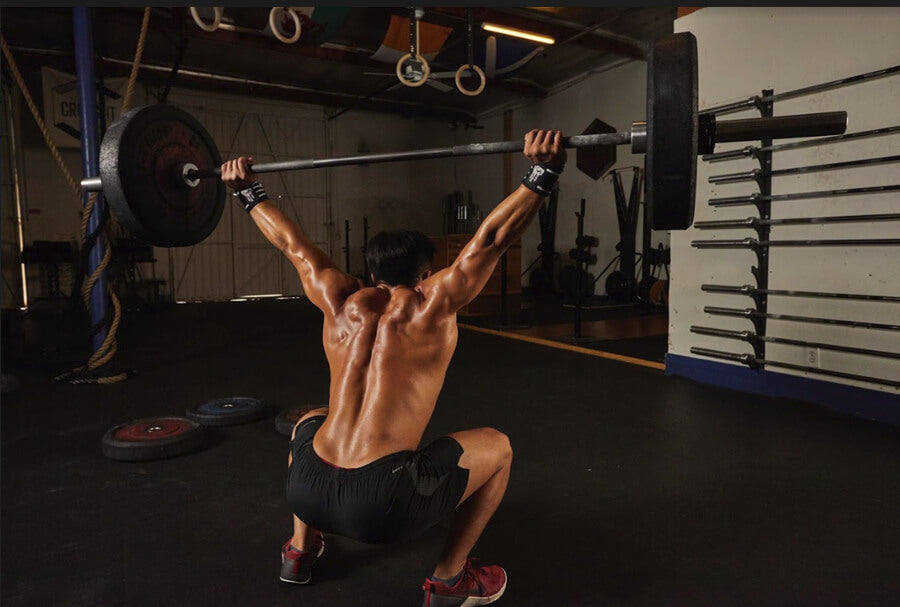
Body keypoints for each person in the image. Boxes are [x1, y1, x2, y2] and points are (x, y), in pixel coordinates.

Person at [221, 129, 567, 606]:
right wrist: (542, 173)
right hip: (379, 504)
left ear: (371, 273)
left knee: (309, 421)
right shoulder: (432, 306)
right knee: (500, 448)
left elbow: (292, 246)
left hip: (306, 488)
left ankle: (299, 551)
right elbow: (491, 240)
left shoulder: (339, 299)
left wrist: (245, 190)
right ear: (426, 274)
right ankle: (449, 580)